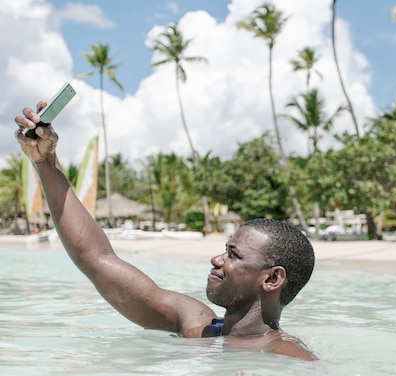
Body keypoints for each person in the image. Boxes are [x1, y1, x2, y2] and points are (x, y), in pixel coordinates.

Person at [14, 101, 318, 361]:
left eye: (233, 255)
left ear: (272, 278)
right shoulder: (195, 325)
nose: (217, 259)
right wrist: (44, 163)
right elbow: (95, 258)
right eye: (225, 250)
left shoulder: (290, 358)